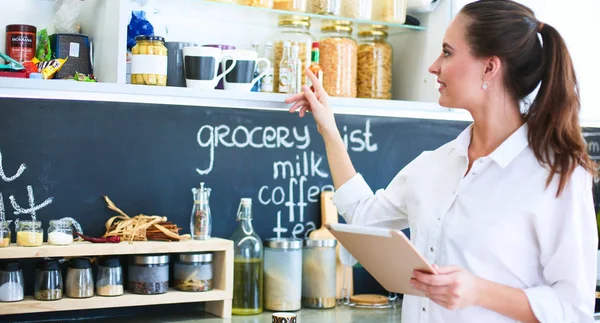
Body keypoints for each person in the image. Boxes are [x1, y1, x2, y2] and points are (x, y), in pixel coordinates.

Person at [285, 0, 598, 322]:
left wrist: (478, 291)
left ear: (489, 68)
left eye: (447, 52)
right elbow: (365, 217)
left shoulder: (556, 175)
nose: (433, 67)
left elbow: (573, 309)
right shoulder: (434, 165)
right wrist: (328, 128)